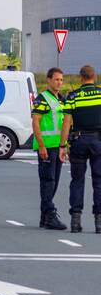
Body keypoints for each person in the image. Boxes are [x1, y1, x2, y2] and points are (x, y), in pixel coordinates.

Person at [60, 65, 101, 233]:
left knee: (77, 181)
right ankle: (99, 223)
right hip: (99, 141)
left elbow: (66, 122)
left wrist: (62, 145)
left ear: (81, 78)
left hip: (78, 141)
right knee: (99, 182)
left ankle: (75, 221)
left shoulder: (73, 96)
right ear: (95, 77)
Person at [32, 68, 67, 230]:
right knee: (48, 181)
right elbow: (35, 122)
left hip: (57, 147)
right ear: (48, 80)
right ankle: (50, 215)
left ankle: (44, 217)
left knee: (54, 182)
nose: (59, 82)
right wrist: (41, 145)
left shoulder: (60, 99)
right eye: (56, 79)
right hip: (46, 146)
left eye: (61, 80)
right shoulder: (43, 99)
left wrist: (64, 145)